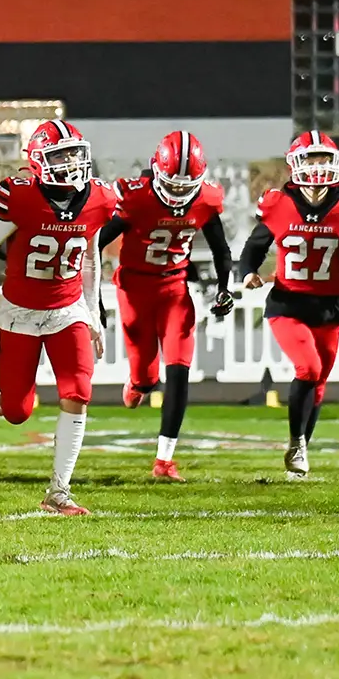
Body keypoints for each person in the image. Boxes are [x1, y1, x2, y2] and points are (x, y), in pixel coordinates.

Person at [0, 120, 118, 515]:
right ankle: (5, 384)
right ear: (37, 162)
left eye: (73, 154)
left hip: (67, 309)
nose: (69, 164)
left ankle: (59, 491)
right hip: (20, 312)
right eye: (59, 156)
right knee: (17, 412)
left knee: (78, 391)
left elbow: (90, 260)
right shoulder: (21, 196)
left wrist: (94, 313)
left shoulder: (99, 198)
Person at [237, 131, 339, 481]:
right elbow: (254, 248)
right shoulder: (277, 202)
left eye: (324, 158)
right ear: (295, 163)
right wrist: (248, 273)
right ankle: (297, 443)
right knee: (307, 368)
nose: (318, 166)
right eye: (311, 158)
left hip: (329, 307)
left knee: (318, 382)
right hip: (288, 302)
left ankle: (300, 451)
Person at [98, 131, 234, 481]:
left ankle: (164, 460)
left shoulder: (205, 199)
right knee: (147, 376)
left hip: (175, 289)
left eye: (184, 185)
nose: (177, 193)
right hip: (134, 288)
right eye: (171, 184)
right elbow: (94, 243)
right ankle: (139, 383)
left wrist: (223, 288)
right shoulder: (136, 198)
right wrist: (91, 296)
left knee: (179, 370)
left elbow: (221, 249)